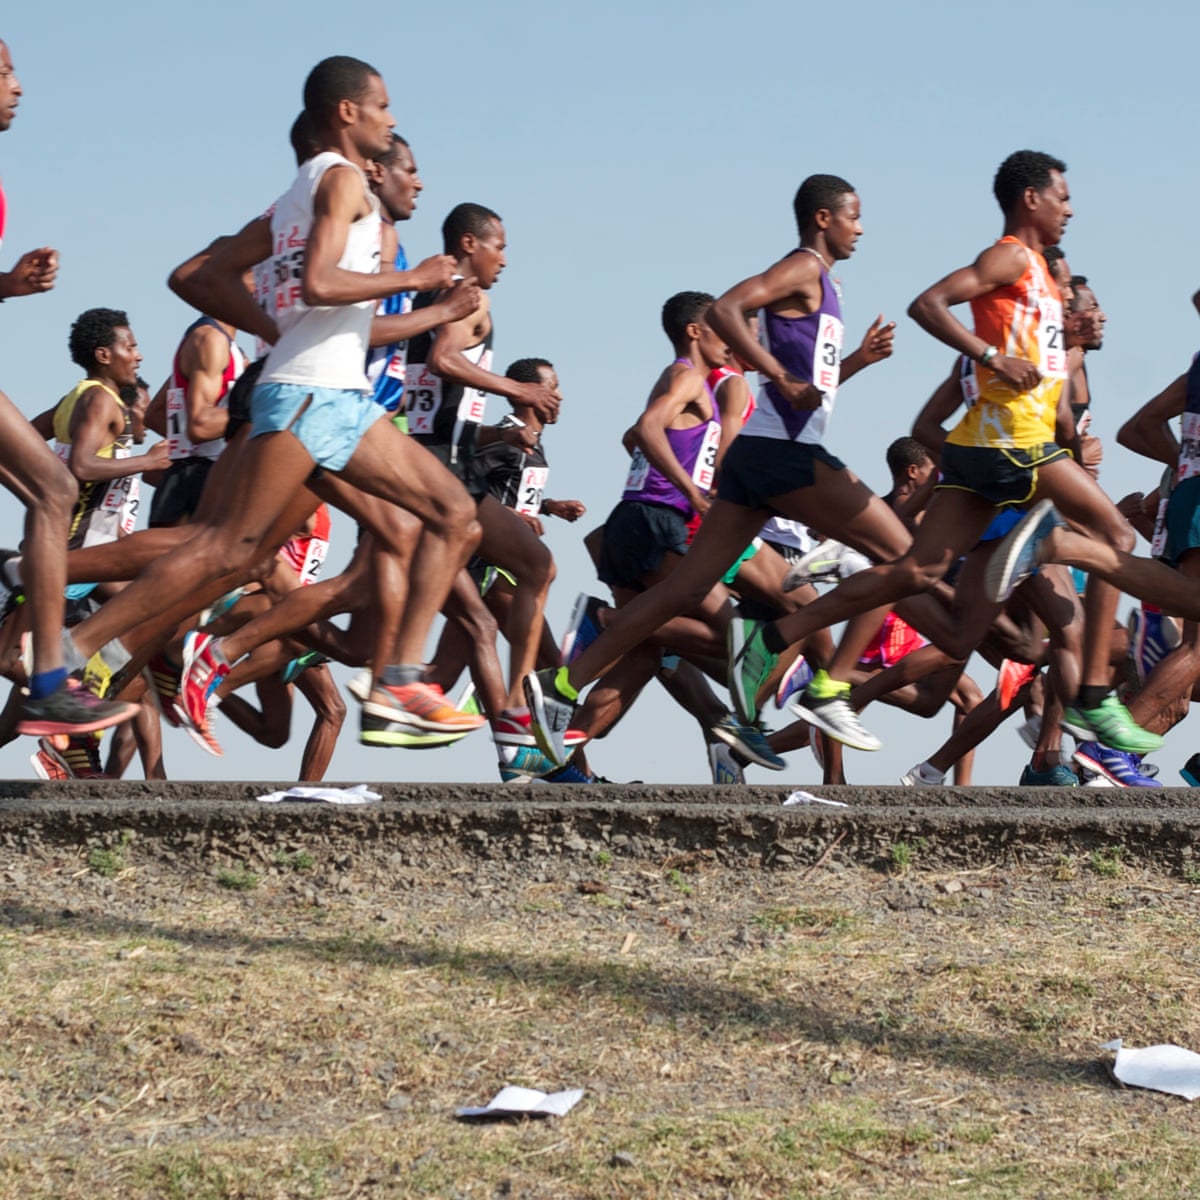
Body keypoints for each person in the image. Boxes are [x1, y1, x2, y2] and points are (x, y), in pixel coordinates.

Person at [59, 56, 485, 749]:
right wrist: (418, 277)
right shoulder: (344, 182)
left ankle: (400, 683)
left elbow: (198, 274)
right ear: (347, 112)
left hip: (335, 393)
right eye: (383, 104)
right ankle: (70, 653)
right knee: (228, 551)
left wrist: (270, 327)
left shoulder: (298, 193)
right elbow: (317, 282)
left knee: (449, 517)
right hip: (313, 392)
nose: (393, 116)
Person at [705, 151, 1156, 760]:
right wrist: (993, 358)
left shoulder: (1044, 292)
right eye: (1063, 197)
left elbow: (1029, 357)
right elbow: (929, 305)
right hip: (1010, 450)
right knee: (1118, 538)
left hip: (982, 454)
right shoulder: (1009, 259)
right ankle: (1096, 696)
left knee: (930, 593)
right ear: (1031, 199)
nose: (1070, 208)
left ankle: (784, 644)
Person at [523, 174, 895, 765]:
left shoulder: (799, 308)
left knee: (687, 606)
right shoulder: (714, 366)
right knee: (882, 571)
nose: (863, 227)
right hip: (765, 473)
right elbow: (726, 325)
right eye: (855, 215)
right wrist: (698, 485)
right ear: (825, 218)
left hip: (743, 478)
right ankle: (812, 687)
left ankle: (567, 688)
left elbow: (800, 386)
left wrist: (851, 363)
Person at [0, 38, 139, 739]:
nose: (18, 86)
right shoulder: (97, 400)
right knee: (55, 491)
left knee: (47, 493)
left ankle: (50, 675)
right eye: (2, 72)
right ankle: (51, 679)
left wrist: (7, 286)